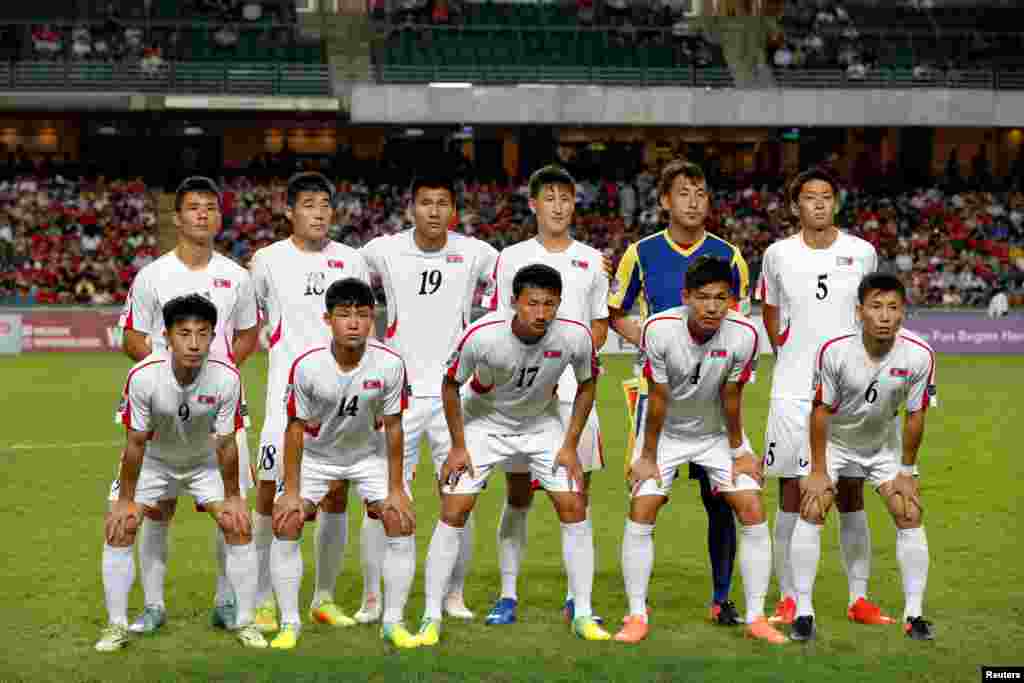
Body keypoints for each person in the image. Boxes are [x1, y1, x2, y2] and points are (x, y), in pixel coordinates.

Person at [415, 264, 610, 646]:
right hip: (483, 425)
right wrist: (457, 447)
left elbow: (588, 384)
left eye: (549, 304)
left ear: (559, 304)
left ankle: (583, 613)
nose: (540, 313)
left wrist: (570, 445)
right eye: (532, 303)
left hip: (541, 426)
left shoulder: (574, 335)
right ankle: (430, 616)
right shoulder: (483, 335)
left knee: (573, 505)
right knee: (454, 510)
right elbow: (450, 385)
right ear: (514, 302)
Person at [609, 158, 751, 626]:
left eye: (701, 193)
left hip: (712, 389)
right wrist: (657, 348)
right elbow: (616, 312)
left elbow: (739, 323)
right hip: (656, 391)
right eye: (684, 193)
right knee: (648, 492)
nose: (694, 202)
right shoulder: (641, 252)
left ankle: (721, 597)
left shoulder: (730, 257)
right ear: (665, 201)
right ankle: (638, 605)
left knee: (721, 499)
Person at [116, 176, 260, 634]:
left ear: (220, 218)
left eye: (211, 208)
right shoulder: (152, 275)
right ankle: (154, 606)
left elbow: (249, 334)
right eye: (193, 207)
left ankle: (226, 600)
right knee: (157, 508)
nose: (203, 214)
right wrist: (170, 373)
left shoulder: (237, 277)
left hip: (219, 409)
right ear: (177, 217)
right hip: (163, 410)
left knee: (230, 511)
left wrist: (213, 379)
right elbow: (132, 336)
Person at [616, 257, 785, 644]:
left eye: (721, 298)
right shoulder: (658, 330)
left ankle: (757, 618)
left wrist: (740, 449)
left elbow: (732, 396)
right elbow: (657, 399)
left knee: (752, 507)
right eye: (703, 298)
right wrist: (646, 456)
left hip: (715, 436)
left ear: (731, 300)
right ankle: (636, 614)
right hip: (664, 434)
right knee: (644, 507)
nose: (712, 307)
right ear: (685, 297)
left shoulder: (744, 334)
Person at [358, 171, 498, 623]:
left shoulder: (476, 252)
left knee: (459, 496)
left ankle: (454, 595)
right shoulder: (383, 249)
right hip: (396, 397)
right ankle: (372, 598)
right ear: (411, 208)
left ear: (453, 210)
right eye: (425, 202)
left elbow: (515, 278)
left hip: (453, 397)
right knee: (380, 500)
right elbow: (343, 274)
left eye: (442, 203)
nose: (434, 211)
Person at [96, 295, 265, 652]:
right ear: (167, 336)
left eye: (202, 334)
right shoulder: (143, 376)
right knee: (120, 526)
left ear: (212, 336)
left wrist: (234, 497)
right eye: (184, 333)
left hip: (205, 463)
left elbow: (227, 444)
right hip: (155, 462)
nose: (193, 343)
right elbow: (135, 443)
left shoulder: (227, 377)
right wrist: (126, 501)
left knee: (239, 524)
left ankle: (247, 621)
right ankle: (116, 625)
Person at [757, 167, 884, 627]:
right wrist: (789, 352)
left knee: (851, 493)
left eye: (826, 197)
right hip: (793, 392)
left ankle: (859, 599)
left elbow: (873, 310)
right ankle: (789, 598)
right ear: (795, 206)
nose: (818, 205)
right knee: (792, 494)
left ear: (835, 202)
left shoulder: (862, 252)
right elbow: (770, 310)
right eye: (809, 198)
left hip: (850, 396)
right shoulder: (777, 255)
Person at [484, 165, 609, 625]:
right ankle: (508, 594)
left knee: (576, 495)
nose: (558, 206)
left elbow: (599, 325)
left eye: (566, 197)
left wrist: (570, 364)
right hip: (522, 395)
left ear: (574, 204)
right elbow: (500, 325)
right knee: (518, 495)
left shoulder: (593, 260)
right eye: (549, 197)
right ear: (533, 204)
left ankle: (579, 599)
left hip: (575, 393)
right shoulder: (511, 257)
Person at [248, 172, 370, 633]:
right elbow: (246, 318)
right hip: (286, 401)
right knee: (269, 495)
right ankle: (262, 599)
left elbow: (362, 325)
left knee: (336, 495)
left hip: (343, 402)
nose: (319, 212)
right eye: (309, 204)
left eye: (325, 204)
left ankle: (323, 596)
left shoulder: (351, 260)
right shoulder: (267, 261)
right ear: (290, 211)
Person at [269, 278, 418, 650]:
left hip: (369, 458)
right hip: (317, 459)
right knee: (286, 521)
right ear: (328, 319)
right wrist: (291, 491)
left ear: (373, 319)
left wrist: (398, 489)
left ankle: (393, 621)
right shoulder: (307, 366)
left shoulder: (389, 364)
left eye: (363, 315)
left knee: (400, 519)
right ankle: (290, 623)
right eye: (344, 314)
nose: (353, 322)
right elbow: (294, 429)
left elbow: (395, 428)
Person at [790, 273, 936, 642]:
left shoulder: (920, 354)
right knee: (813, 505)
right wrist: (820, 470)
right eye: (876, 307)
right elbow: (820, 411)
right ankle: (803, 611)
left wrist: (907, 470)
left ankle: (914, 614)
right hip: (834, 444)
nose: (885, 316)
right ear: (860, 312)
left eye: (893, 308)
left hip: (881, 447)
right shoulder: (835, 350)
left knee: (909, 511)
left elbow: (916, 415)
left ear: (904, 312)